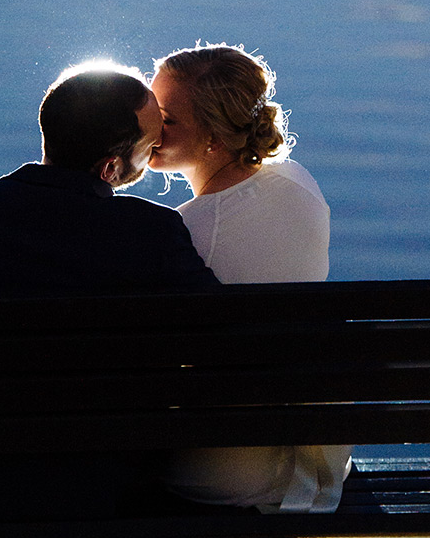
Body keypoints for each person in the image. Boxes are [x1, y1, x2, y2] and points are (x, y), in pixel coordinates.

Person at [0, 61, 218, 524]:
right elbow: (219, 329)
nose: (155, 155)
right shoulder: (150, 231)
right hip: (99, 485)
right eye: (150, 148)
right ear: (112, 166)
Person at [148, 43, 351, 514]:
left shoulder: (183, 235)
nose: (150, 127)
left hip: (216, 472)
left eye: (167, 119)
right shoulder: (299, 183)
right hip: (306, 461)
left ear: (214, 138)